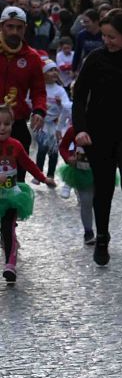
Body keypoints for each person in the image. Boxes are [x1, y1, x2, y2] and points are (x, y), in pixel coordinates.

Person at [72, 8, 122, 269]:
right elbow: (80, 95)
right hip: (99, 131)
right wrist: (80, 129)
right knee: (104, 188)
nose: (107, 41)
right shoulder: (95, 59)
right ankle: (103, 238)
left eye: (113, 37)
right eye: (105, 36)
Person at [0, 103, 57, 283]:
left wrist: (43, 177)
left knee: (8, 228)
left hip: (11, 195)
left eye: (7, 124)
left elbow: (28, 164)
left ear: (12, 125)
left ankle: (10, 265)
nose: (2, 128)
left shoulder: (15, 145)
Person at [0, 6, 46, 170]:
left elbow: (39, 90)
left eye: (19, 27)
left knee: (15, 181)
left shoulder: (32, 57)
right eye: (10, 26)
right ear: (1, 26)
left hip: (17, 124)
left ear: (25, 29)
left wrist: (39, 111)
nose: (14, 31)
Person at [56, 125, 98, 245]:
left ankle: (102, 231)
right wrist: (68, 158)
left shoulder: (104, 124)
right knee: (86, 201)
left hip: (101, 170)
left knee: (100, 202)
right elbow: (63, 146)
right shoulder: (74, 129)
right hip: (81, 170)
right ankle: (88, 232)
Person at [34, 60, 72, 181]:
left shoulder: (60, 90)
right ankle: (38, 173)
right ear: (43, 73)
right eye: (51, 70)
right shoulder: (39, 87)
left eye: (56, 70)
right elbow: (31, 101)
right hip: (41, 124)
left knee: (54, 151)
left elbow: (67, 105)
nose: (55, 72)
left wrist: (61, 104)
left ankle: (50, 175)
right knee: (42, 147)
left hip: (55, 125)